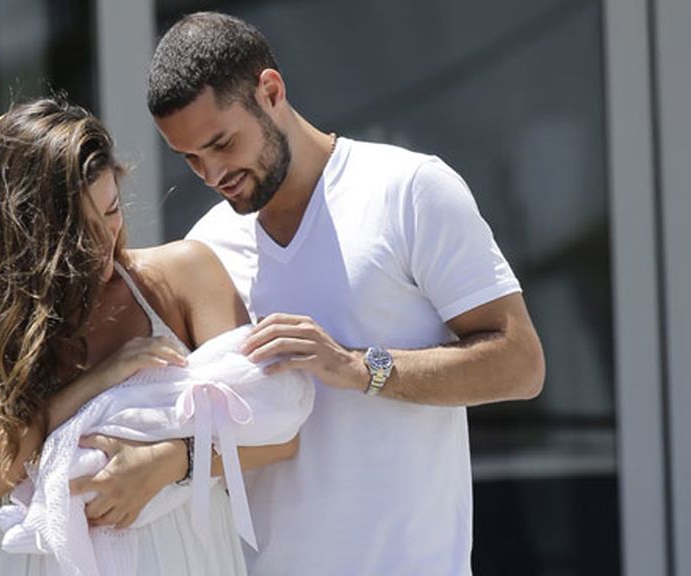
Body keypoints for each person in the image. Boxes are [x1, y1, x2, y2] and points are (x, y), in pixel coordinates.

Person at [84, 11, 546, 576]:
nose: (212, 174)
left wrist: (358, 367)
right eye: (191, 159)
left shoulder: (408, 191)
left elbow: (520, 362)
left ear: (270, 91)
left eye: (222, 143)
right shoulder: (207, 250)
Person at [0, 97, 302, 576]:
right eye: (81, 232)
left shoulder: (182, 276)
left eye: (111, 211)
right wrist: (93, 385)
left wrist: (170, 462)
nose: (106, 242)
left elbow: (277, 432)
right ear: (24, 237)